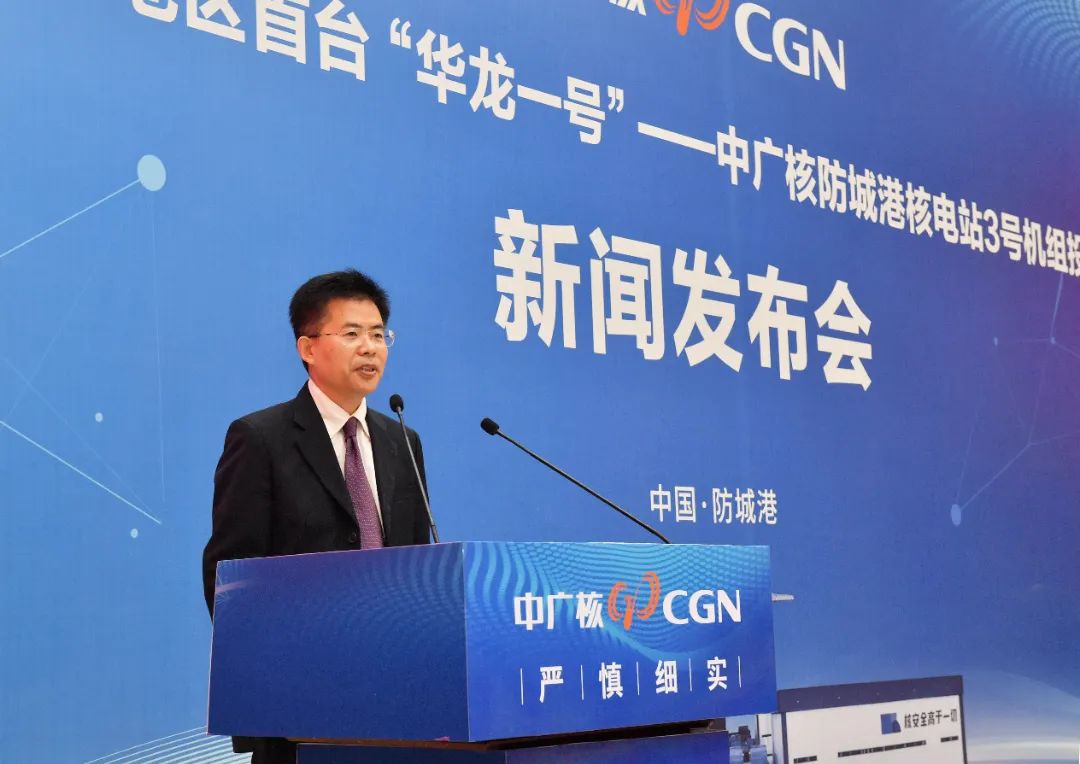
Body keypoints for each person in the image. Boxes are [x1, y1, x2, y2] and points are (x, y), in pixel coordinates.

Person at [202, 269, 431, 763]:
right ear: (307, 347)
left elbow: (419, 565)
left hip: (396, 699)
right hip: (300, 707)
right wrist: (279, 671)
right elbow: (229, 579)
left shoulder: (402, 442)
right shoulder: (261, 439)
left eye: (378, 335)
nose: (370, 348)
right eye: (351, 333)